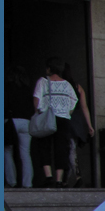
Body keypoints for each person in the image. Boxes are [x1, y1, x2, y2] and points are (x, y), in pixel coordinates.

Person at [32, 57, 78, 187]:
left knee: (44, 147)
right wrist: (66, 112)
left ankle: (48, 177)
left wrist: (38, 113)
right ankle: (59, 179)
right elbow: (73, 102)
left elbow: (36, 99)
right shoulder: (67, 85)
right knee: (61, 149)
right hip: (63, 120)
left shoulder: (43, 82)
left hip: (47, 117)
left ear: (49, 68)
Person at [62, 62, 95, 187]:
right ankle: (73, 177)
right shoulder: (77, 87)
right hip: (76, 121)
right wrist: (89, 125)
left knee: (65, 150)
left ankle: (71, 178)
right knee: (72, 149)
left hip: (65, 119)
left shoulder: (61, 86)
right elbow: (84, 107)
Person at [5, 64, 35, 187]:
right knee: (25, 154)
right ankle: (27, 183)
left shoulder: (6, 87)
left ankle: (11, 182)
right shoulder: (28, 89)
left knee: (7, 152)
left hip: (9, 122)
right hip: (26, 122)